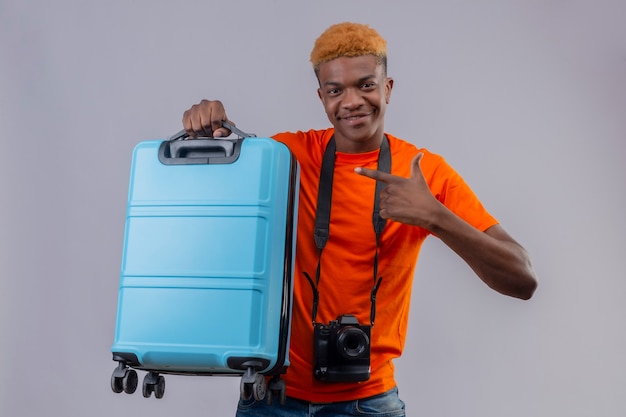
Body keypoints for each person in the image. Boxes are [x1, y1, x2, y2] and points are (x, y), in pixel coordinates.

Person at [182, 22, 537, 417]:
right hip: (270, 398)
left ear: (387, 88)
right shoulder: (286, 156)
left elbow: (523, 280)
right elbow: (207, 217)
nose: (351, 101)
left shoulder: (424, 172)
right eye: (336, 90)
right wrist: (208, 125)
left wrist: (436, 217)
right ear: (321, 97)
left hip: (369, 403)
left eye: (366, 85)